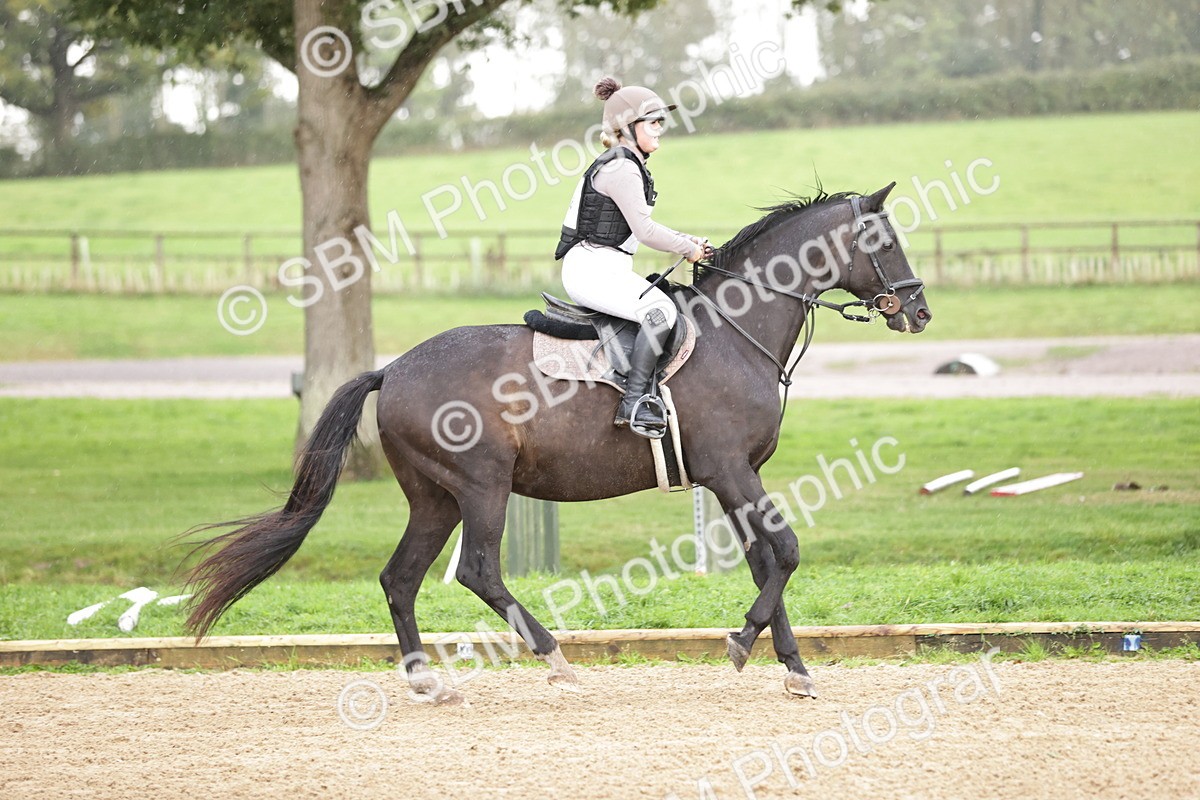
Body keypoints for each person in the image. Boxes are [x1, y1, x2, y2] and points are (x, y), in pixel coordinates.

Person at [555, 76, 712, 438]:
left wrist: (689, 241)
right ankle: (635, 402)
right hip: (591, 270)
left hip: (604, 267)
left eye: (661, 122)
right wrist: (687, 247)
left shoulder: (627, 163)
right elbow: (645, 232)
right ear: (627, 127)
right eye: (653, 122)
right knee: (661, 312)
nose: (660, 129)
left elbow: (644, 226)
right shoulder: (622, 167)